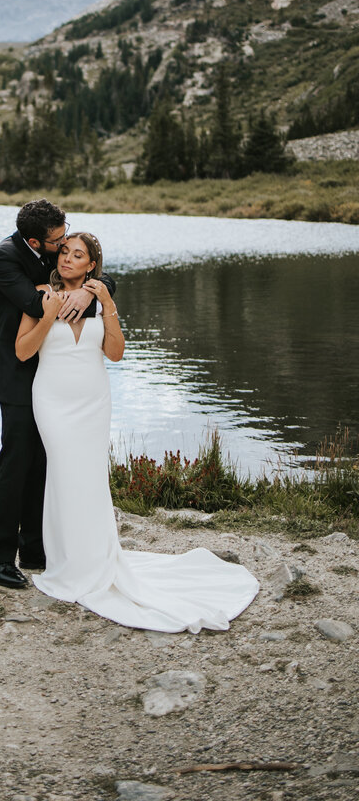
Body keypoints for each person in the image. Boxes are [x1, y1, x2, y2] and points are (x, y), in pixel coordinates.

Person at [16, 231, 259, 631]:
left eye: (78, 255)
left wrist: (106, 302)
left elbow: (114, 353)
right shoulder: (41, 293)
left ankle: (97, 559)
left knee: (91, 477)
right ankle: (67, 562)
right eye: (63, 252)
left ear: (92, 264)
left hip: (93, 400)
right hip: (54, 401)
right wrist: (47, 315)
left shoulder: (98, 298)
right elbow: (23, 351)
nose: (67, 259)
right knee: (63, 472)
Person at [0, 200, 115, 589]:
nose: (64, 248)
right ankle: (0, 558)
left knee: (45, 463)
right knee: (16, 462)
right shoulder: (4, 257)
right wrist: (68, 294)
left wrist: (93, 291)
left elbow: (105, 275)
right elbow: (33, 301)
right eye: (58, 241)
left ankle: (36, 548)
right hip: (20, 371)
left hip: (57, 373)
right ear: (34, 242)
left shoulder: (59, 252)